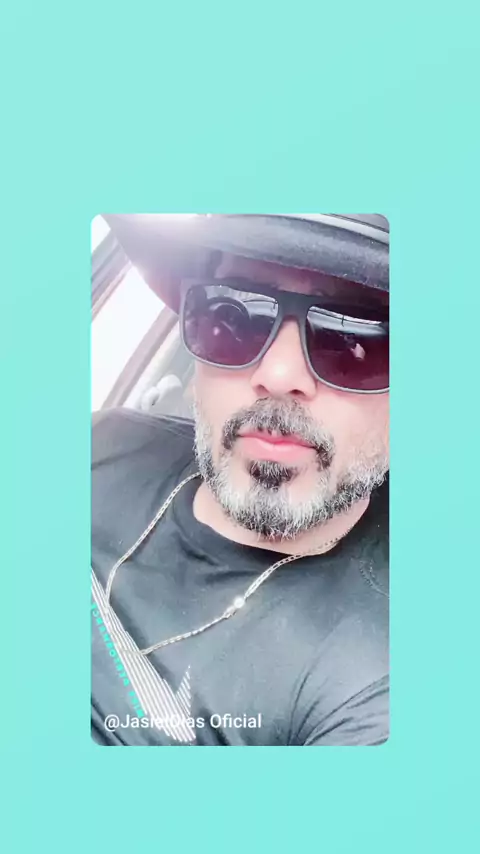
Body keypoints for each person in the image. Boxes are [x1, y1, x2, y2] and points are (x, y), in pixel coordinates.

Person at [91, 214, 390, 746]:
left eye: (353, 338)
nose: (278, 376)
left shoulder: (376, 679)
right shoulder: (101, 441)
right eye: (234, 317)